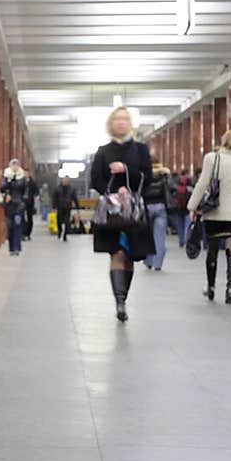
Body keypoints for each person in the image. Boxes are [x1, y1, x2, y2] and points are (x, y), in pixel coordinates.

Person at [89, 106, 154, 322]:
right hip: (112, 213)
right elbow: (96, 179)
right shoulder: (103, 151)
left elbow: (148, 177)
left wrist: (126, 171)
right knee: (116, 253)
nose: (121, 122)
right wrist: (113, 192)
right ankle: (120, 302)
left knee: (130, 256)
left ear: (130, 123)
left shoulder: (141, 150)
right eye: (117, 119)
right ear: (111, 123)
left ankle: (123, 295)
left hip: (134, 210)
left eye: (125, 119)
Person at [187, 128, 231, 304]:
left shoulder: (211, 158)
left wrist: (192, 206)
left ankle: (211, 288)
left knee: (213, 251)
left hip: (214, 213)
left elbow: (202, 184)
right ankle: (230, 291)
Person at [143, 155, 173, 270]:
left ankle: (148, 261)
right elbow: (171, 188)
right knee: (160, 237)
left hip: (147, 207)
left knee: (147, 236)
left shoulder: (144, 174)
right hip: (161, 207)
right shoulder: (164, 174)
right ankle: (158, 264)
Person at [0, 158, 27, 255]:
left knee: (18, 225)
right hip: (9, 205)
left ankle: (17, 248)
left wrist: (23, 202)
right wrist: (8, 181)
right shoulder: (6, 176)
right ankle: (11, 248)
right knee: (10, 226)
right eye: (13, 165)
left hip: (18, 205)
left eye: (16, 165)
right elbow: (2, 188)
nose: (15, 167)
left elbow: (24, 190)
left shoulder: (22, 177)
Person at [54, 175, 80, 241]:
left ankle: (65, 235)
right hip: (60, 207)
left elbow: (75, 198)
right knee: (59, 221)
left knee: (67, 222)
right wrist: (54, 207)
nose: (65, 181)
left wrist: (77, 208)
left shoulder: (72, 189)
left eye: (67, 180)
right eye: (64, 180)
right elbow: (55, 198)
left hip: (68, 207)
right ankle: (60, 231)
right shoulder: (58, 188)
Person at [172, 167, 193, 246]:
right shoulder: (189, 181)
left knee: (179, 225)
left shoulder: (176, 181)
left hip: (178, 207)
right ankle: (185, 239)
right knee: (187, 224)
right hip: (187, 206)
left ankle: (181, 240)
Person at [22, 172, 37, 240]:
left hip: (30, 203)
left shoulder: (32, 183)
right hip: (22, 202)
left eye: (27, 173)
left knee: (29, 218)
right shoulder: (20, 181)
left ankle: (28, 233)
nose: (25, 175)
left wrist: (36, 196)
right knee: (22, 217)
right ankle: (23, 233)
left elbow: (36, 191)